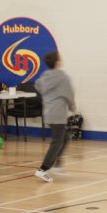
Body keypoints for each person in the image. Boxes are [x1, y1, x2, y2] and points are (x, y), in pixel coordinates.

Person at [34, 50, 78, 182]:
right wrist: (73, 107)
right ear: (57, 62)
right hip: (58, 113)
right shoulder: (62, 77)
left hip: (48, 112)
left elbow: (37, 85)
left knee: (64, 136)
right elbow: (69, 94)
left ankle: (57, 165)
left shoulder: (45, 75)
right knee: (57, 140)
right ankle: (43, 169)